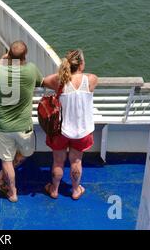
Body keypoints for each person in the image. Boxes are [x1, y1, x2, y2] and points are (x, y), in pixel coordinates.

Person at [0, 41, 43, 202]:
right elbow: (41, 81)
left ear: (8, 55)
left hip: (4, 125)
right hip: (24, 126)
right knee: (26, 153)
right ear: (25, 56)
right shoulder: (31, 70)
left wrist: (3, 60)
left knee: (6, 160)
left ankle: (12, 192)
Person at [42, 49, 98, 200]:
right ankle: (75, 190)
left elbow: (44, 80)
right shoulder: (91, 79)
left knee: (58, 161)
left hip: (61, 130)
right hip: (82, 131)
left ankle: (54, 190)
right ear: (81, 64)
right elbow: (85, 80)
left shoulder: (59, 81)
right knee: (76, 161)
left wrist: (62, 73)